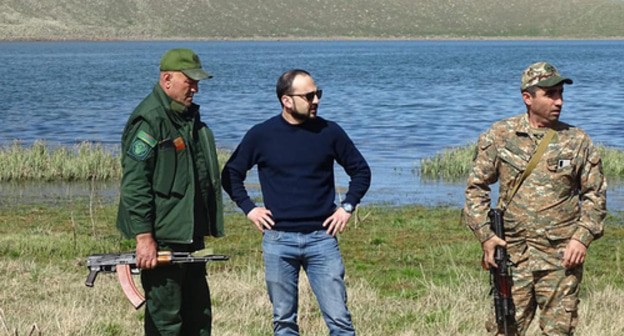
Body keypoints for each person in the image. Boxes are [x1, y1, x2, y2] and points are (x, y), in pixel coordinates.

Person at [221, 69, 371, 335]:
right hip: (278, 241)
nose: (316, 101)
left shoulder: (330, 132)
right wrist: (250, 209)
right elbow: (231, 174)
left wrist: (347, 207)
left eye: (318, 94)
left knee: (340, 322)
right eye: (309, 95)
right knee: (284, 322)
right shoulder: (261, 135)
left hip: (322, 239)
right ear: (286, 100)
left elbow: (361, 171)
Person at [464, 62, 607, 335]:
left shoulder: (576, 141)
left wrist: (582, 237)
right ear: (528, 98)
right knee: (504, 329)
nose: (559, 101)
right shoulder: (501, 135)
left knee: (558, 331)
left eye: (561, 93)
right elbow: (476, 188)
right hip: (513, 256)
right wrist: (486, 235)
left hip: (561, 258)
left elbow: (595, 195)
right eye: (550, 94)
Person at [116, 48, 224, 336]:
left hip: (188, 235)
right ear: (167, 80)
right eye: (190, 82)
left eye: (197, 82)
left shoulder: (187, 119)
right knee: (166, 321)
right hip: (162, 238)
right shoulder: (149, 120)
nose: (196, 89)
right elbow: (135, 183)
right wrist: (144, 237)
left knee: (199, 317)